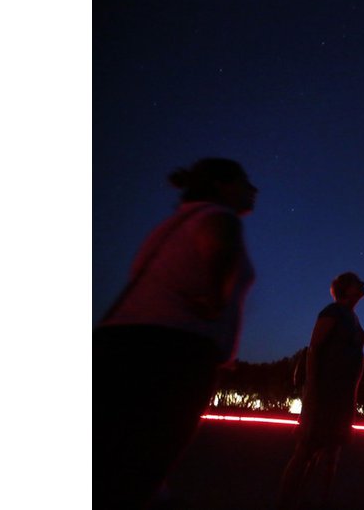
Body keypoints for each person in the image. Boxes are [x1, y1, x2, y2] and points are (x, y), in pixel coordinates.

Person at [93, 158, 258, 508]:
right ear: (221, 185)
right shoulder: (219, 216)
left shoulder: (171, 226)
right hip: (174, 350)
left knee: (109, 461)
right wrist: (215, 306)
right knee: (145, 463)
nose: (252, 189)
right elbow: (219, 253)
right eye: (244, 181)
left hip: (119, 342)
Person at [278, 272, 364, 509]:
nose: (362, 284)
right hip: (326, 392)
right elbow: (315, 349)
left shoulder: (352, 317)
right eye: (357, 282)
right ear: (345, 288)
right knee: (307, 449)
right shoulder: (333, 312)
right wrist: (312, 390)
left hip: (343, 395)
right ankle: (287, 501)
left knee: (331, 452)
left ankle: (316, 499)